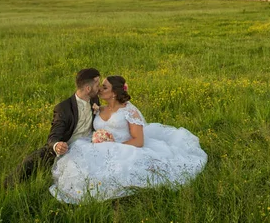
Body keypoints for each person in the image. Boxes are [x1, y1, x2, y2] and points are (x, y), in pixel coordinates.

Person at [49, 75, 207, 204]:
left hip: (125, 147)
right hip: (98, 146)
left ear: (114, 93)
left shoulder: (129, 111)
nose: (100, 90)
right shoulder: (98, 108)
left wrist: (114, 146)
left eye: (104, 87)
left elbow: (139, 141)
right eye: (100, 86)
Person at [4, 68, 101, 187]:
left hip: (88, 145)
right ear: (88, 89)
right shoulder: (63, 108)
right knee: (33, 160)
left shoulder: (95, 99)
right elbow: (54, 136)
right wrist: (57, 145)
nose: (99, 88)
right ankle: (4, 186)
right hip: (68, 146)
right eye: (97, 85)